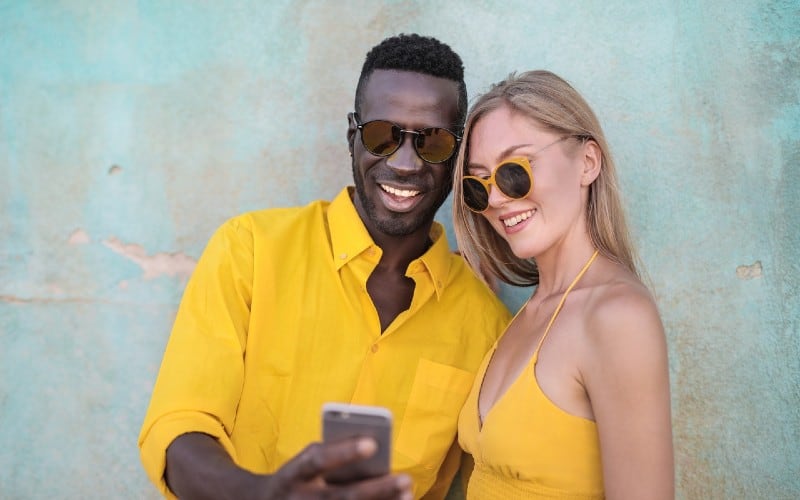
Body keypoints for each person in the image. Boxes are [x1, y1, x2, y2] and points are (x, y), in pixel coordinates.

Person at [137, 33, 510, 500]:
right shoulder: (251, 251)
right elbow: (178, 429)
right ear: (353, 135)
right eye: (382, 135)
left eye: (432, 141)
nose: (406, 163)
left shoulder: (485, 324)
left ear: (455, 156)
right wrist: (264, 494)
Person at [452, 70, 674, 499]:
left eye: (514, 170)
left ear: (587, 162)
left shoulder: (617, 318)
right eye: (478, 185)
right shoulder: (525, 316)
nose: (496, 198)